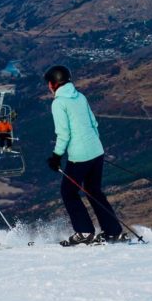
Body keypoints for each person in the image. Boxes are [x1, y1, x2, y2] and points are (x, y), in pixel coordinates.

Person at [44, 65, 125, 246]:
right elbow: (94, 123)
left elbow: (64, 134)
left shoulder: (58, 103)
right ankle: (113, 231)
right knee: (94, 190)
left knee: (68, 192)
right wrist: (93, 147)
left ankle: (84, 232)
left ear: (52, 84)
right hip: (97, 151)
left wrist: (56, 156)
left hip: (80, 157)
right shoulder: (80, 97)